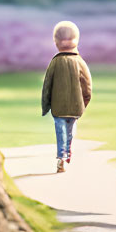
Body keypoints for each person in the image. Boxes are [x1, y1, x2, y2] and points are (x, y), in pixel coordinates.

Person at [41, 19, 93, 173]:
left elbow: (47, 87)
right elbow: (87, 86)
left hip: (58, 107)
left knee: (60, 131)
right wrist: (84, 103)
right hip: (76, 107)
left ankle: (61, 156)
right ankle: (66, 151)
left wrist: (46, 105)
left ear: (55, 42)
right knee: (70, 129)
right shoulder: (80, 62)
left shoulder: (54, 63)